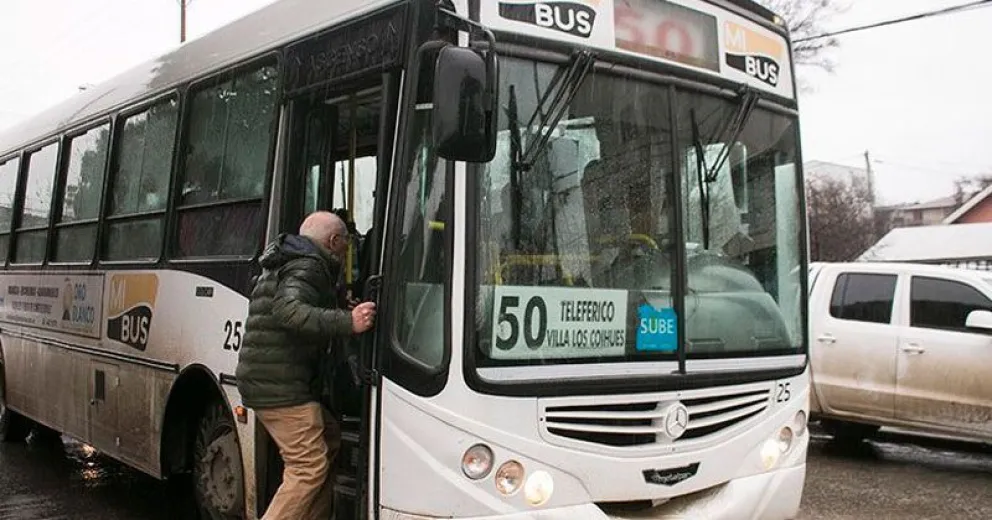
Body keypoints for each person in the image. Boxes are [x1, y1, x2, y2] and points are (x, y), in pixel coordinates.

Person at [236, 211, 376, 520]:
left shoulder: (288, 260)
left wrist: (337, 304)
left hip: (268, 379)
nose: (346, 251)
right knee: (308, 466)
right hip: (281, 386)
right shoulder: (309, 265)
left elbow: (291, 302)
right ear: (334, 241)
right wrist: (348, 321)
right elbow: (289, 311)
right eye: (345, 244)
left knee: (328, 437)